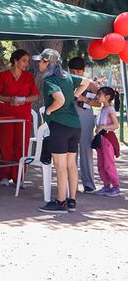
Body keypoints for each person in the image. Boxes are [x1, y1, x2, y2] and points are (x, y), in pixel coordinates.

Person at [34, 49, 90, 214]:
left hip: (59, 126)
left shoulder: (50, 80)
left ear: (48, 63)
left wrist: (49, 110)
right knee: (71, 165)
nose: (38, 63)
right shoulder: (67, 76)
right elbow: (86, 82)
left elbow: (60, 100)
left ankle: (60, 202)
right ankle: (71, 200)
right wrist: (74, 96)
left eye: (41, 61)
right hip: (75, 126)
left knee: (60, 166)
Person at [0, 49, 39, 187]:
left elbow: (35, 96)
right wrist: (8, 99)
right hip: (6, 114)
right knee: (5, 145)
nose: (26, 64)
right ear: (15, 61)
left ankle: (19, 176)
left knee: (21, 145)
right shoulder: (3, 75)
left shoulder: (28, 77)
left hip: (23, 115)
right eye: (23, 61)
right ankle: (5, 174)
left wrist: (24, 99)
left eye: (27, 61)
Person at [68, 57, 99, 193]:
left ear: (83, 71)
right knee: (70, 152)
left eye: (78, 71)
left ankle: (89, 183)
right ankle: (70, 184)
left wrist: (84, 99)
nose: (75, 73)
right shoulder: (67, 81)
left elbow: (99, 103)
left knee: (86, 150)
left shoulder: (91, 84)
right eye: (72, 71)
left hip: (86, 117)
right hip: (70, 118)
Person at [93, 87, 121, 197]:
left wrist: (104, 126)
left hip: (108, 139)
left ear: (107, 97)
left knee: (108, 163)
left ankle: (115, 186)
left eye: (100, 95)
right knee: (101, 163)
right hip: (101, 138)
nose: (97, 97)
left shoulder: (110, 110)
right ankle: (106, 185)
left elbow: (116, 125)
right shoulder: (103, 109)